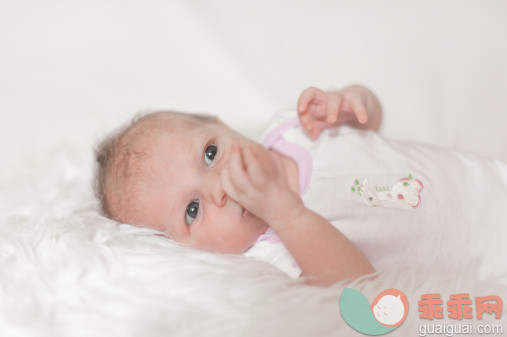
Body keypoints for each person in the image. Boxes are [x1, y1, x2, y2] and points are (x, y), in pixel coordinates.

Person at [94, 85, 507, 287]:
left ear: (222, 126)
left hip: (487, 178)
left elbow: (372, 122)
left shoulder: (293, 127)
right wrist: (287, 214)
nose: (219, 187)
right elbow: (357, 286)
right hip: (488, 266)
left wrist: (350, 101)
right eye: (192, 210)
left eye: (209, 154)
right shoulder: (274, 259)